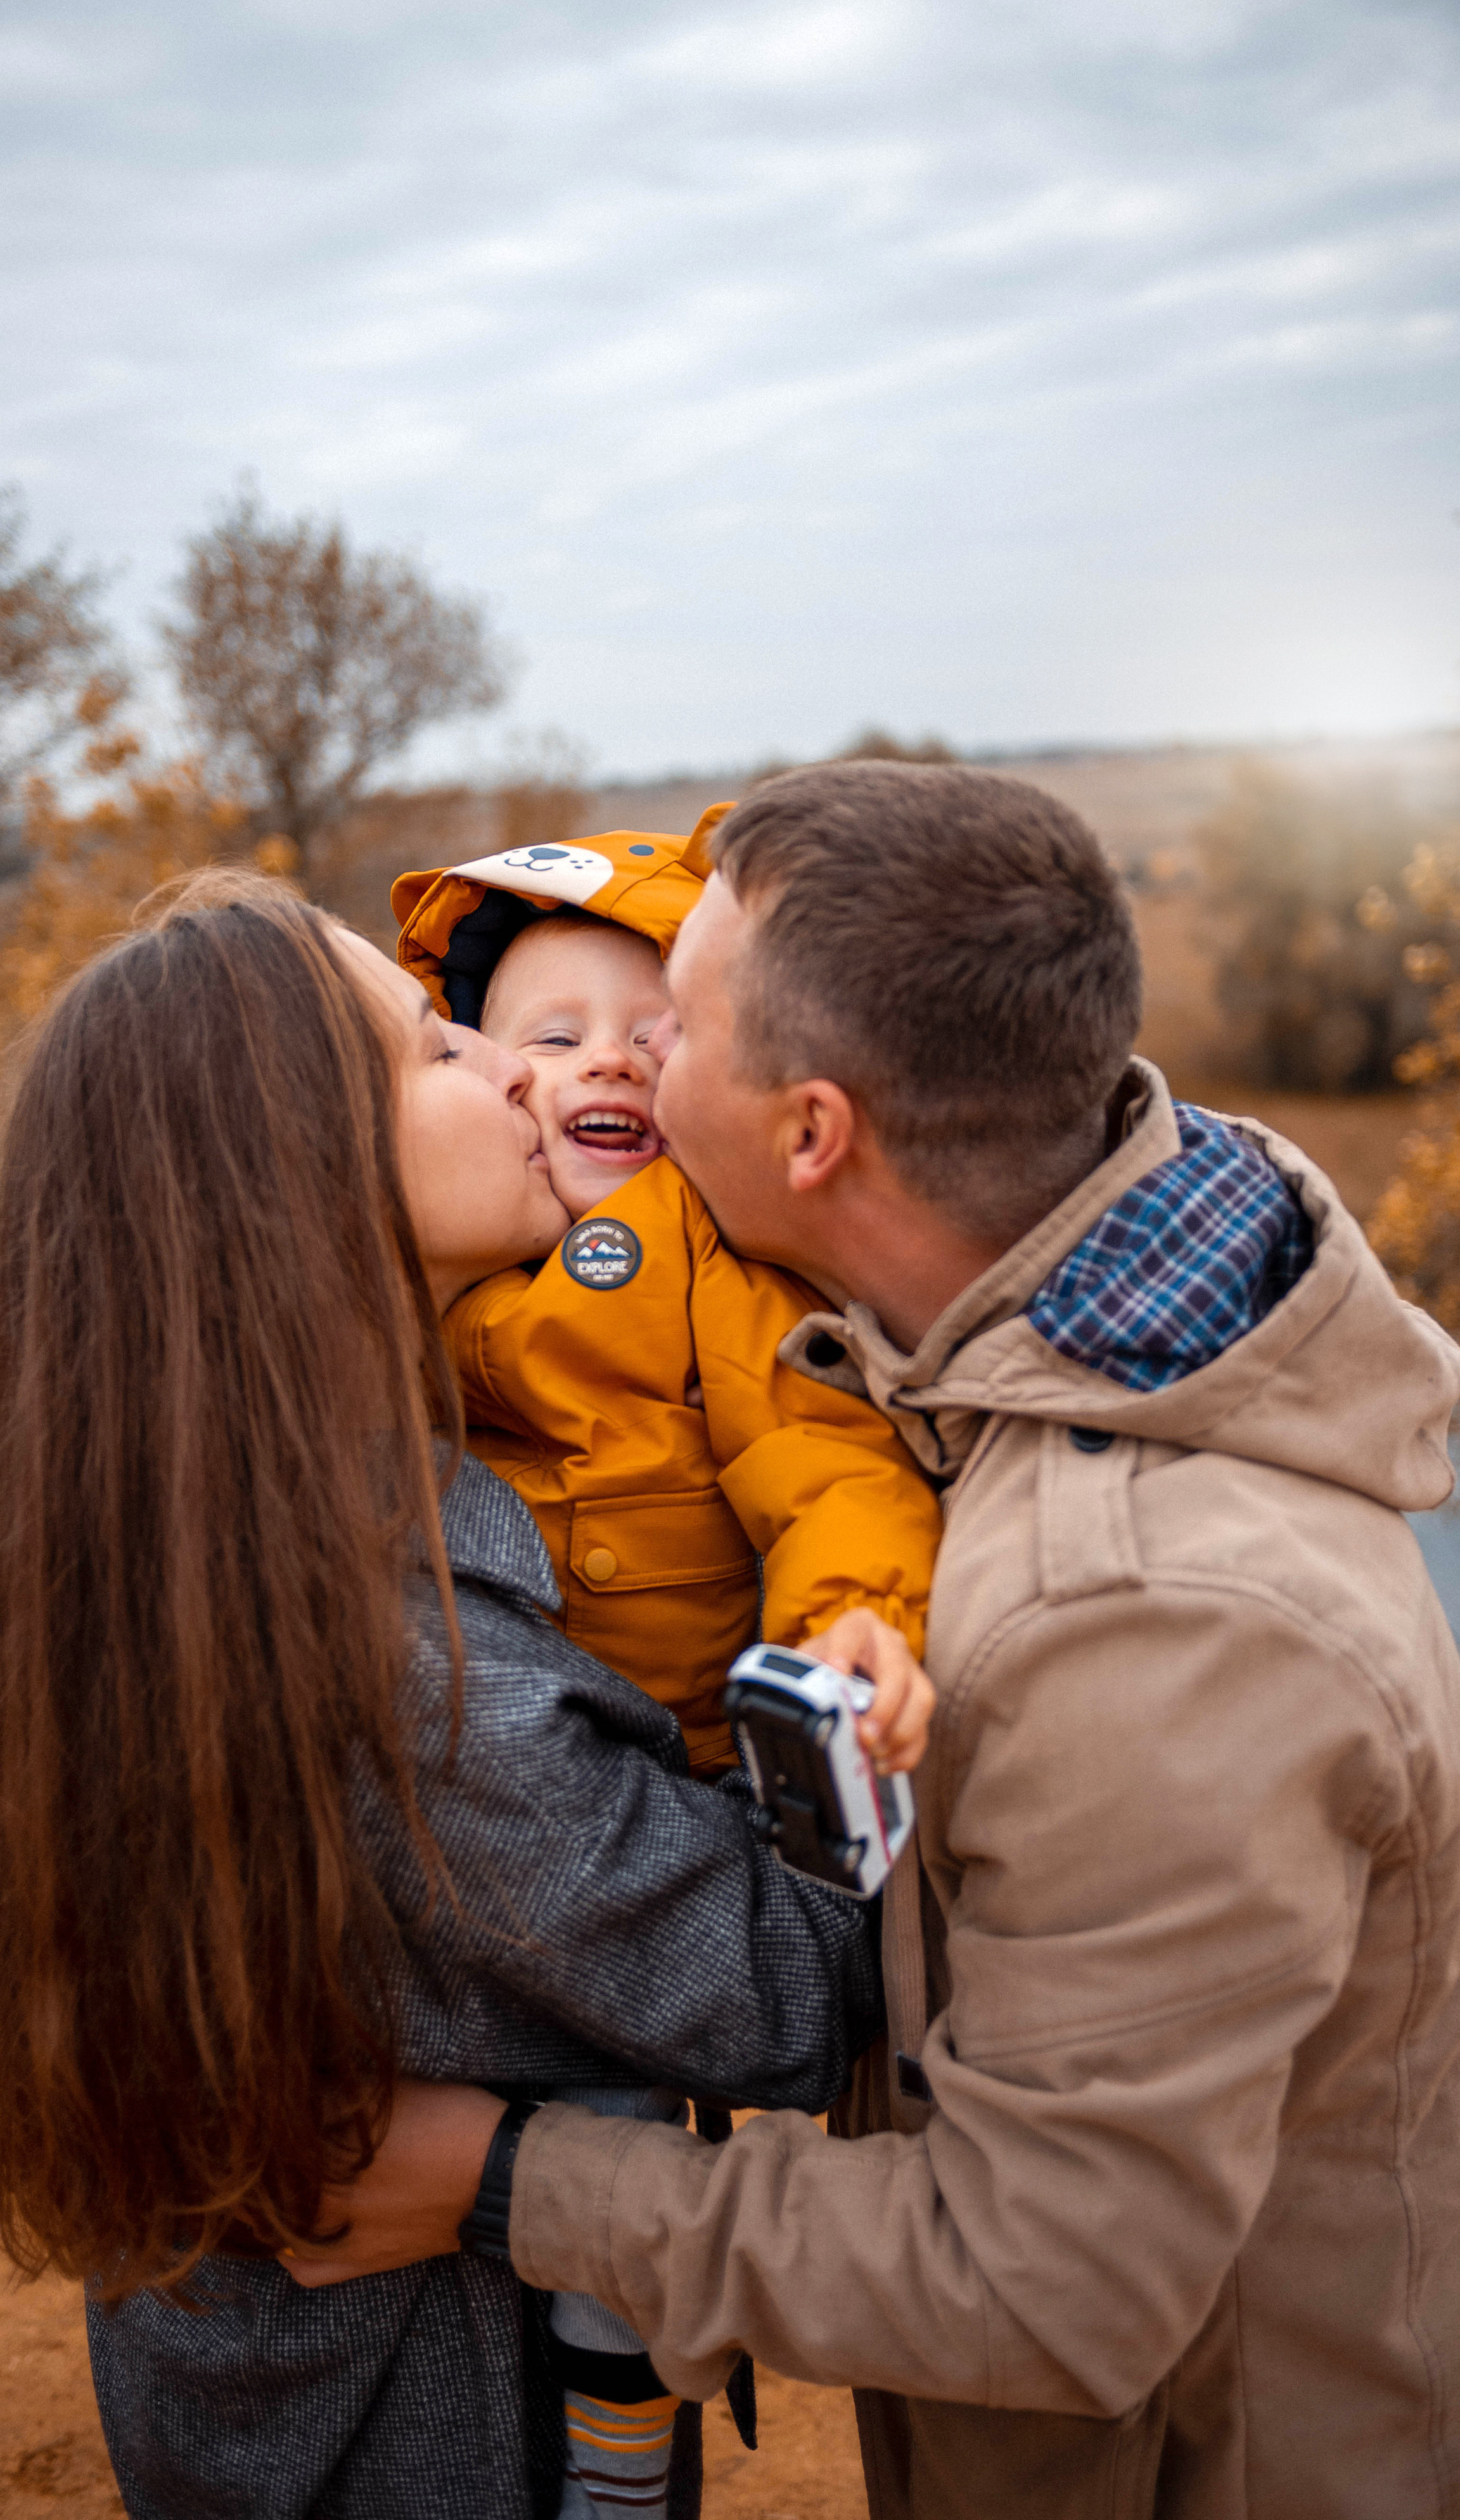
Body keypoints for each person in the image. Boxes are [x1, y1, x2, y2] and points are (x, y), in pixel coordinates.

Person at [294, 763, 1460, 2520]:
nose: (600, 1074)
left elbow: (1044, 2281)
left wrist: (508, 2178)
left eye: (674, 1028)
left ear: (812, 1134)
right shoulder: (979, 1349)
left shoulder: (1156, 1631)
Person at [0, 869, 915, 2520]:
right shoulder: (431, 1695)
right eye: (438, 1048)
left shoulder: (157, 1554)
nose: (511, 1070)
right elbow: (788, 1987)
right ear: (296, 1179)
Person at [392, 813, 942, 1774]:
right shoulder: (436, 1237)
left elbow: (817, 1456)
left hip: (696, 1759)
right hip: (487, 1732)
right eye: (557, 1037)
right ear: (494, 1071)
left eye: (656, 1037)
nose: (613, 1060)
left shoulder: (699, 1246)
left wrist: (850, 1616)